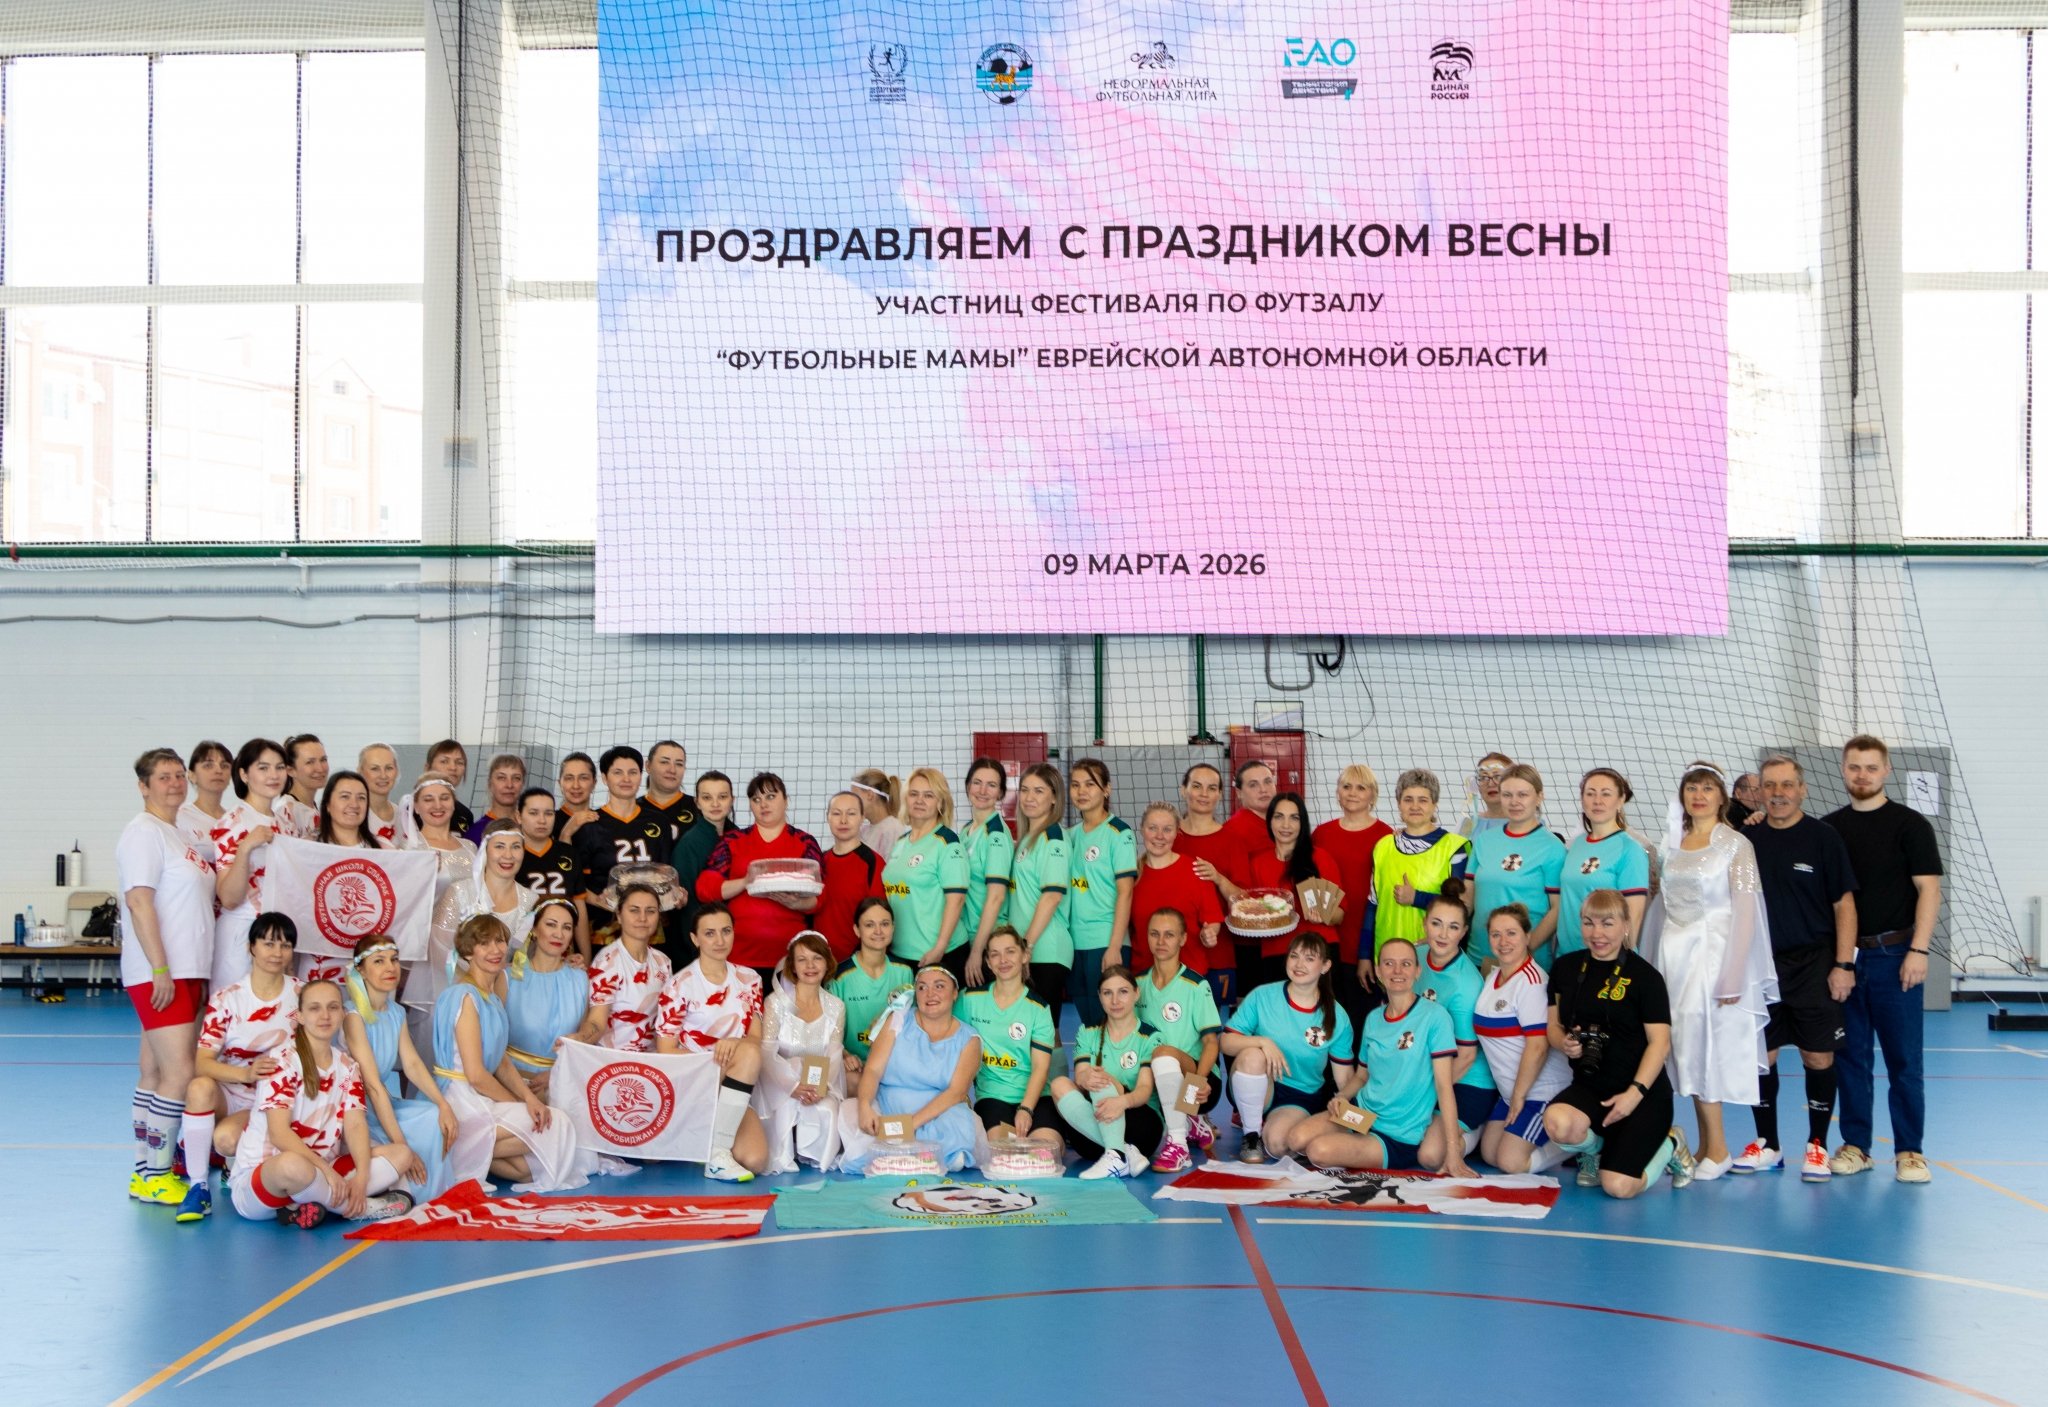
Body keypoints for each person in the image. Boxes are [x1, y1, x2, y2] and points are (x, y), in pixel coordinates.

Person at [1639, 764, 1778, 1181]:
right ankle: (1704, 1145)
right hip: (1675, 958)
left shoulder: (1736, 846)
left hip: (1713, 958)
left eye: (1707, 788)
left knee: (1707, 1049)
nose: (1698, 795)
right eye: (1692, 788)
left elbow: (1746, 913)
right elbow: (1662, 906)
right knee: (1685, 1047)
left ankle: (1719, 1149)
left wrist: (1734, 974)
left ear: (1722, 797)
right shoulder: (1673, 845)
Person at [1825, 735, 1944, 1184]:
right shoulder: (1829, 829)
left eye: (1871, 767)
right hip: (1846, 960)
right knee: (1851, 1058)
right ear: (1843, 769)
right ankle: (1857, 1146)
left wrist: (1919, 950)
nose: (1863, 775)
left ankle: (1910, 1151)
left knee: (1904, 1062)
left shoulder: (1910, 825)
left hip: (1897, 957)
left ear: (1886, 770)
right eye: (1855, 767)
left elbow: (1929, 890)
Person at [1734, 755, 1859, 1180]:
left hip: (1814, 963)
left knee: (1817, 1055)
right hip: (1760, 965)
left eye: (1787, 785)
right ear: (1759, 793)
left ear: (1802, 789)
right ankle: (1768, 1144)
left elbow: (1844, 905)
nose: (1778, 793)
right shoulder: (1746, 839)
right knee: (1762, 1057)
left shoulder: (1824, 838)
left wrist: (1844, 964)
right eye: (1769, 786)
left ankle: (1817, 1145)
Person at [1543, 889, 1695, 1198]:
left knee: (1619, 1187)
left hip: (1642, 1094)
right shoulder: (1565, 968)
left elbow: (1660, 1044)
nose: (1597, 933)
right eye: (1589, 923)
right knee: (1557, 1123)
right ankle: (1596, 1151)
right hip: (1590, 1088)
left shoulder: (1646, 978)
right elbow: (1553, 1027)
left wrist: (1634, 1094)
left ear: (1626, 925)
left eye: (1607, 923)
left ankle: (1671, 1144)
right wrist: (1564, 1042)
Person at [227, 978, 412, 1227]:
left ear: (342, 1013)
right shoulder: (282, 1061)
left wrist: (361, 1176)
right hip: (265, 1184)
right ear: (300, 1016)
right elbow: (280, 1135)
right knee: (293, 1165)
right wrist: (327, 1173)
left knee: (401, 1154)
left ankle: (310, 1204)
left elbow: (355, 1125)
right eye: (314, 1008)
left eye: (333, 1007)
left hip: (322, 1172)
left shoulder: (347, 1066)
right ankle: (360, 1208)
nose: (325, 1016)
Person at [118, 748, 216, 1209]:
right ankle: (158, 1174)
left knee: (155, 1071)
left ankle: (143, 1172)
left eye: (179, 775)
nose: (174, 783)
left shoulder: (176, 834)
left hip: (188, 969)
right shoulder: (143, 832)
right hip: (163, 973)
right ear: (144, 786)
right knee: (179, 1073)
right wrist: (159, 968)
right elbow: (139, 902)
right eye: (163, 777)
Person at [433, 915, 593, 1191]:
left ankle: (458, 1152)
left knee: (526, 1172)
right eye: (484, 944)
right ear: (468, 952)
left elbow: (501, 1061)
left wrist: (528, 1098)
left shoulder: (492, 997)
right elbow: (476, 1075)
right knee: (557, 1125)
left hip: (481, 1096)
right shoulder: (465, 996)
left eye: (500, 942)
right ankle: (455, 1146)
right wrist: (519, 1104)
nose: (495, 950)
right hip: (463, 1098)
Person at [1293, 938, 1475, 1176]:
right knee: (1297, 1139)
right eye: (1389, 963)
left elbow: (1443, 1086)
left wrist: (1452, 1150)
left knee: (1318, 1151)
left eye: (1406, 964)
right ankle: (1351, 1146)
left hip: (1397, 1133)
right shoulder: (1374, 1018)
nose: (1397, 971)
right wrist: (1342, 1097)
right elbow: (1361, 1076)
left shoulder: (1435, 1017)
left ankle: (1356, 1150)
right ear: (1378, 971)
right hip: (1363, 1117)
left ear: (1417, 971)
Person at [342, 936, 474, 1208]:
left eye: (394, 960)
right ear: (361, 971)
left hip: (382, 1101)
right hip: (357, 1110)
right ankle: (402, 1188)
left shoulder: (396, 1012)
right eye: (379, 961)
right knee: (405, 1142)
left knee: (433, 1116)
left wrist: (443, 1104)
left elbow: (412, 1064)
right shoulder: (353, 1017)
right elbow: (372, 1086)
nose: (390, 967)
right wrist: (403, 1147)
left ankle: (430, 1195)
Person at [652, 902, 771, 1181]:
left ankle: (714, 1144)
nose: (719, 940)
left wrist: (735, 1044)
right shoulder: (679, 984)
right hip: (694, 1078)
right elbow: (665, 1050)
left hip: (734, 1082)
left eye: (726, 931)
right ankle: (716, 1151)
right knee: (749, 1055)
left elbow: (755, 1038)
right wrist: (717, 1055)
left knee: (755, 1160)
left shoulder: (750, 979)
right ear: (695, 939)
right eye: (709, 933)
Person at [1221, 934, 1356, 1164]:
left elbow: (1344, 1079)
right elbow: (1226, 1042)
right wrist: (1263, 1042)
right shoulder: (1263, 996)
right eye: (1294, 956)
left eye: (1309, 959)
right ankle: (1251, 1136)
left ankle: (1297, 1128)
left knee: (1278, 1145)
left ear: (1325, 966)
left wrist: (1351, 1117)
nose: (1299, 964)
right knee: (1252, 1054)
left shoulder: (1337, 1015)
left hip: (1298, 1095)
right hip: (1258, 1081)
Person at [838, 964, 986, 1174]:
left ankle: (909, 1158)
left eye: (939, 986)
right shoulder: (898, 1020)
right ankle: (911, 1158)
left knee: (958, 1132)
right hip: (888, 1104)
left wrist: (909, 1125)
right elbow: (872, 1070)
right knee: (852, 1115)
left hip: (938, 1111)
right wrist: (864, 1106)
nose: (930, 994)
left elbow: (956, 1092)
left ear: (955, 993)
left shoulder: (969, 1038)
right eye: (922, 987)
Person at [1473, 905, 1576, 1174]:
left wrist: (1519, 1096)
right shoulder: (1493, 976)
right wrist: (1513, 1096)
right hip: (1511, 1093)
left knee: (1511, 1162)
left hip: (1542, 1092)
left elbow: (1538, 1047)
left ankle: (1582, 1143)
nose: (1503, 941)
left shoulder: (1532, 982)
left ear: (1527, 936)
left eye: (1511, 933)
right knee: (1490, 1153)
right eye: (1496, 934)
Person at [695, 772, 825, 983]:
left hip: (791, 959)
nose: (763, 804)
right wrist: (746, 881)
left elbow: (820, 897)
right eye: (756, 799)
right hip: (739, 957)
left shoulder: (805, 842)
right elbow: (705, 889)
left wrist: (798, 903)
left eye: (771, 797)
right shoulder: (733, 841)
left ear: (786, 800)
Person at [407, 820, 539, 1028]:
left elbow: (524, 957)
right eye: (499, 846)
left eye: (515, 846)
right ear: (485, 850)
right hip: (455, 992)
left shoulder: (530, 900)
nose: (508, 855)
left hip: (501, 996)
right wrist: (475, 983)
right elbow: (439, 948)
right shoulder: (460, 892)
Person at [212, 737, 311, 989]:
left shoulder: (285, 824)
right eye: (263, 768)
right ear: (244, 774)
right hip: (242, 935)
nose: (273, 775)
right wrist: (245, 848)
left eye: (279, 767)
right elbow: (229, 898)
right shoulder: (232, 821)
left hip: (277, 936)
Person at [1048, 966, 1162, 1179]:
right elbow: (1081, 1075)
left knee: (1103, 1080)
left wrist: (1122, 1101)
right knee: (1060, 1084)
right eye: (1107, 993)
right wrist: (1085, 1077)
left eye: (1123, 992)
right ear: (1100, 997)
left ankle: (1118, 1154)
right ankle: (1121, 1153)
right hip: (1093, 1132)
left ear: (1136, 993)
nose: (1115, 1000)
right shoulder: (1087, 1031)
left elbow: (1145, 1090)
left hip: (1140, 1128)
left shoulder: (1149, 1036)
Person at [955, 926, 1061, 1154]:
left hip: (1035, 1098)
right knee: (1005, 1154)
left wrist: (1026, 1109)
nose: (1003, 960)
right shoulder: (969, 1000)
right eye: (995, 954)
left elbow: (1041, 1068)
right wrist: (959, 1093)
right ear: (988, 962)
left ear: (1024, 956)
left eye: (1010, 952)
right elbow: (950, 1047)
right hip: (993, 1098)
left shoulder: (1039, 1009)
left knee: (1047, 1154)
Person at [749, 931, 847, 1175]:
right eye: (802, 959)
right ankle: (784, 1153)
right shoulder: (776, 1003)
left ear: (827, 962)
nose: (810, 966)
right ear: (792, 965)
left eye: (817, 958)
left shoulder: (836, 1007)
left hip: (819, 1081)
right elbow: (767, 1052)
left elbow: (834, 1053)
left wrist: (819, 1087)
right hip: (779, 1080)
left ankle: (816, 1156)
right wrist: (791, 1086)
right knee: (788, 1099)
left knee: (828, 1107)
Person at [1134, 907, 1225, 1171]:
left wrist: (1198, 1083)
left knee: (1163, 1052)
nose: (1161, 941)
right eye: (1154, 934)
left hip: (1198, 1080)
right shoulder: (1137, 985)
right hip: (1156, 1077)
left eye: (1169, 935)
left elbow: (1211, 1043)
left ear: (1183, 939)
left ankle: (1178, 1145)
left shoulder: (1196, 986)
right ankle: (1190, 1124)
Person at [1411, 883, 1495, 1155]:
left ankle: (1474, 1133)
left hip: (1466, 1079)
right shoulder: (1415, 958)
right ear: (1424, 924)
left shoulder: (1466, 984)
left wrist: (1424, 1095)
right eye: (1436, 923)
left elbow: (1467, 1056)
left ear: (1464, 932)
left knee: (1430, 1155)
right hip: (1427, 1071)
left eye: (1453, 927)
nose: (1443, 934)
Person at [1364, 769, 1470, 966]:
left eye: (1423, 800)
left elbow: (1462, 907)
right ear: (1399, 803)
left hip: (1432, 955)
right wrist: (1364, 956)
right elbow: (1372, 905)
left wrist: (1416, 898)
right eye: (1408, 799)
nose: (1415, 806)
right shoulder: (1383, 847)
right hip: (1386, 956)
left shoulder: (1454, 848)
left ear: (1434, 804)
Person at [1313, 765, 1392, 1022]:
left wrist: (1368, 952)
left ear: (1373, 795)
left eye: (1361, 787)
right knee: (1329, 1017)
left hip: (1365, 938)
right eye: (1346, 786)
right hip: (1328, 937)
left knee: (1363, 1018)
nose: (1352, 793)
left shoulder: (1386, 837)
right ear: (1338, 792)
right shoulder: (1322, 834)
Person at [1245, 792, 1345, 990]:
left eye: (1294, 818)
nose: (1286, 825)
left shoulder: (1320, 859)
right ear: (1270, 821)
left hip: (1317, 953)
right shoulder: (1258, 863)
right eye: (1279, 817)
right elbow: (1251, 909)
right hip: (1275, 954)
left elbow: (1340, 915)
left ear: (1302, 823)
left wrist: (1323, 914)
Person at [1468, 764, 1566, 963]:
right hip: (1479, 955)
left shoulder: (1552, 847)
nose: (1514, 802)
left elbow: (1558, 909)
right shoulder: (1484, 840)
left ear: (1539, 797)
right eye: (1507, 795)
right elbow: (1467, 898)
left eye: (1523, 795)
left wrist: (1525, 949)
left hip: (1526, 960)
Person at [572, 747, 673, 942]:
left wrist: (676, 895)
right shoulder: (589, 824)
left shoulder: (658, 822)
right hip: (604, 928)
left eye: (632, 772)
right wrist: (599, 901)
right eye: (618, 772)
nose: (626, 779)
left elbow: (666, 874)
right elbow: (576, 884)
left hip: (649, 928)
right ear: (604, 778)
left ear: (641, 776)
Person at [1065, 759, 1138, 1023]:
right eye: (1075, 785)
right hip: (1074, 943)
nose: (1081, 791)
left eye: (1090, 784)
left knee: (1110, 1022)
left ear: (1106, 789)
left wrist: (1115, 946)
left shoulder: (1119, 833)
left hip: (1106, 941)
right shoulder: (1069, 836)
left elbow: (1125, 893)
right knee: (1089, 1023)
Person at [1175, 762, 1251, 1009]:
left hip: (1218, 953)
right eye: (1197, 786)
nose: (1204, 794)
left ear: (1219, 794)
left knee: (1213, 1025)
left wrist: (1218, 878)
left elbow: (1244, 900)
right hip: (1172, 952)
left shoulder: (1232, 840)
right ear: (1183, 790)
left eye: (1211, 788)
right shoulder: (1169, 837)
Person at [1004, 763, 1073, 1027]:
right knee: (1032, 1031)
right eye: (1024, 790)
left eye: (1039, 791)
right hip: (1026, 949)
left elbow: (1052, 897)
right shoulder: (1028, 838)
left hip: (1045, 950)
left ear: (1054, 797)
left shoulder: (1053, 838)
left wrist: (1027, 945)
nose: (1029, 797)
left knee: (1044, 1032)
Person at [881, 768, 969, 973]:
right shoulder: (901, 842)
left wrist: (940, 947)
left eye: (928, 795)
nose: (919, 800)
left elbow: (956, 900)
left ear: (940, 803)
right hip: (900, 952)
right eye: (914, 794)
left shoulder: (948, 843)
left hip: (938, 954)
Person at [1557, 768, 1651, 955]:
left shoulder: (1630, 850)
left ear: (1621, 800)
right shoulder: (1576, 846)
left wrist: (1618, 962)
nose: (1597, 801)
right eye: (1590, 794)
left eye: (1606, 794)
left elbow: (1634, 918)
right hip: (1567, 957)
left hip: (1606, 959)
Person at [574, 879, 676, 1051]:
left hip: (652, 1060)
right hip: (615, 1061)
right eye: (634, 910)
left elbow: (668, 1021)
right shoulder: (607, 961)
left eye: (650, 911)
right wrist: (579, 1039)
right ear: (619, 916)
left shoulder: (663, 962)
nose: (642, 918)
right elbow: (596, 1022)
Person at [504, 897, 591, 1094]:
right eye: (551, 924)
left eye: (567, 927)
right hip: (511, 1084)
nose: (559, 934)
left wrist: (556, 1074)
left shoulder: (580, 979)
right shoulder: (509, 976)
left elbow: (584, 1041)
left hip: (562, 1084)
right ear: (534, 929)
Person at [1130, 802, 1224, 977]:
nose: (1159, 836)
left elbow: (1212, 921)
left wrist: (1209, 934)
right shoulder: (1131, 877)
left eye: (1167, 829)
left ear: (1177, 832)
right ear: (1142, 829)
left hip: (1189, 976)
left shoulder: (1196, 870)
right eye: (1152, 828)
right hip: (1144, 977)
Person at [829, 897, 915, 1076]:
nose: (878, 931)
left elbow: (912, 1023)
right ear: (857, 930)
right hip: (854, 1065)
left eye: (885, 924)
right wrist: (845, 1056)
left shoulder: (905, 971)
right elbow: (828, 1032)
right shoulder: (839, 977)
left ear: (893, 927)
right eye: (869, 925)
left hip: (895, 1062)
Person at [956, 758, 1017, 986]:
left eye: (991, 785)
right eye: (977, 783)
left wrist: (977, 952)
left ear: (1000, 793)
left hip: (986, 942)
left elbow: (996, 897)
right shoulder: (965, 831)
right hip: (966, 936)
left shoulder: (996, 835)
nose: (982, 791)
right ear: (967, 786)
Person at [513, 787, 587, 955]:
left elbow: (580, 910)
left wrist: (586, 957)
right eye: (534, 813)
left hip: (563, 950)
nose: (542, 820)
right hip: (521, 952)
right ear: (519, 816)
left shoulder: (568, 853)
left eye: (548, 813)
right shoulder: (510, 856)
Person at [1223, 760, 1279, 981]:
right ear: (1239, 793)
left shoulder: (1283, 825)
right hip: (1250, 938)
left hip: (1281, 929)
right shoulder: (1235, 830)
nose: (1263, 789)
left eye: (1267, 782)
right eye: (1253, 784)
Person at [816, 791, 887, 962]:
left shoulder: (873, 863)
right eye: (836, 813)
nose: (843, 821)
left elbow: (879, 917)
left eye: (851, 813)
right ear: (827, 817)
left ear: (862, 817)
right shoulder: (819, 863)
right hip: (819, 961)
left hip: (856, 963)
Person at [400, 773, 476, 912]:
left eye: (444, 798)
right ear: (416, 807)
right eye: (428, 799)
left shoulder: (470, 847)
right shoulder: (409, 850)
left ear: (454, 803)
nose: (438, 805)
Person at [178, 739, 233, 861]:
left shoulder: (234, 819)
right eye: (208, 765)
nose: (218, 771)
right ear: (192, 775)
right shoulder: (180, 818)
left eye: (224, 766)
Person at [641, 740, 700, 842]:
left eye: (679, 764)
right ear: (648, 766)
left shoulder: (700, 808)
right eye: (664, 762)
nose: (672, 770)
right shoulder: (631, 810)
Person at [463, 754, 528, 845]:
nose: (509, 785)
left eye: (516, 778)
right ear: (490, 783)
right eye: (501, 778)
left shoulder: (531, 828)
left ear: (523, 783)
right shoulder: (475, 833)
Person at [315, 770, 385, 849]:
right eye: (345, 796)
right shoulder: (309, 846)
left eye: (361, 798)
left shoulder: (384, 848)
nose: (354, 805)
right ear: (327, 804)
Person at [851, 768, 907, 859]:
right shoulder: (863, 830)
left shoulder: (893, 829)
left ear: (870, 795)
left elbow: (892, 865)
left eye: (855, 796)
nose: (851, 802)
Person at [424, 739, 475, 835]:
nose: (453, 767)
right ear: (428, 768)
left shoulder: (465, 814)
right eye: (444, 761)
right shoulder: (411, 809)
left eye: (459, 762)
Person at [281, 733, 329, 833]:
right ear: (290, 770)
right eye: (310, 762)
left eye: (323, 760)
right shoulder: (286, 811)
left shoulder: (313, 808)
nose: (320, 768)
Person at [1460, 753, 1515, 838]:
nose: (1490, 783)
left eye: (1497, 776)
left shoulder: (1528, 824)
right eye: (1483, 777)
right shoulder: (1468, 825)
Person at [358, 743, 403, 845]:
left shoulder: (403, 815)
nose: (383, 775)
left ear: (397, 771)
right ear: (360, 772)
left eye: (389, 768)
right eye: (375, 768)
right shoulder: (354, 813)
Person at [553, 752, 599, 843]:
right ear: (560, 784)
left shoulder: (603, 821)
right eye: (569, 778)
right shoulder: (547, 821)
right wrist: (566, 833)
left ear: (594, 783)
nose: (576, 786)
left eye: (583, 778)